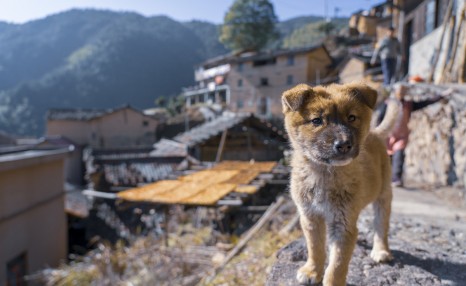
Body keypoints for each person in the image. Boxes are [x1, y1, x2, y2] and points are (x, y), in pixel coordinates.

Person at [377, 80, 452, 187]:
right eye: (399, 91)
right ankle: (384, 178)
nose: (401, 93)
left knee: (399, 156)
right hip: (389, 135)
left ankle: (396, 178)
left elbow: (425, 102)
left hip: (401, 135)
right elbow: (380, 119)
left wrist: (441, 96)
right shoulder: (388, 104)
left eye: (403, 92)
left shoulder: (408, 105)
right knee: (386, 157)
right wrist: (379, 133)